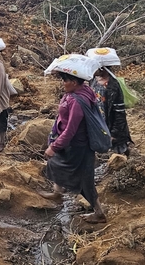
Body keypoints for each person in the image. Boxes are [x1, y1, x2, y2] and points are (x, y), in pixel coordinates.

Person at [39, 71, 107, 223]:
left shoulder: (78, 101)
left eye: (65, 80)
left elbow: (71, 130)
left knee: (84, 181)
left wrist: (54, 146)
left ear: (75, 83)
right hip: (71, 144)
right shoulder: (79, 92)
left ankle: (99, 213)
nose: (63, 83)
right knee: (55, 163)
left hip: (78, 146)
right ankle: (58, 193)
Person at [90, 66, 133, 155]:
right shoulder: (93, 80)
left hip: (111, 125)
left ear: (102, 68)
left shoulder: (113, 85)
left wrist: (114, 134)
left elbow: (119, 112)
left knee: (116, 151)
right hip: (99, 122)